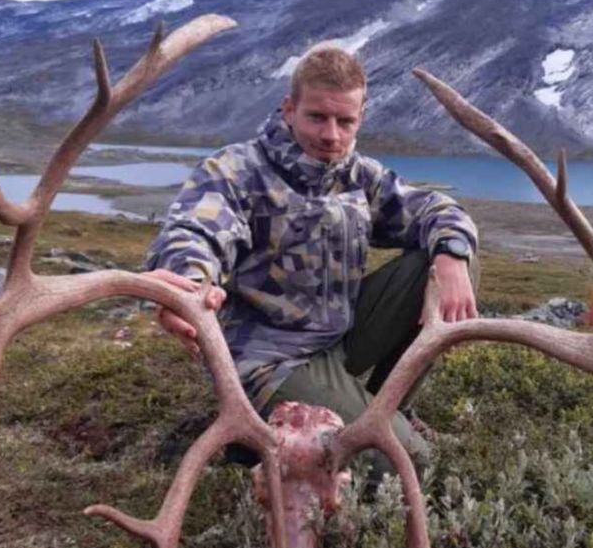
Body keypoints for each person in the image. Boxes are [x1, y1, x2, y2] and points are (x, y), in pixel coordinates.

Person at [144, 45, 478, 478]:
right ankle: (267, 433)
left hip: (341, 339)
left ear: (361, 117)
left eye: (346, 122)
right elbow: (195, 231)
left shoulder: (360, 176)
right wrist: (188, 283)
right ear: (289, 109)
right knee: (410, 465)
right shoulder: (237, 170)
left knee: (444, 260)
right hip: (269, 361)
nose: (331, 136)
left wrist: (452, 258)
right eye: (317, 117)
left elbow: (437, 209)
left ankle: (380, 409)